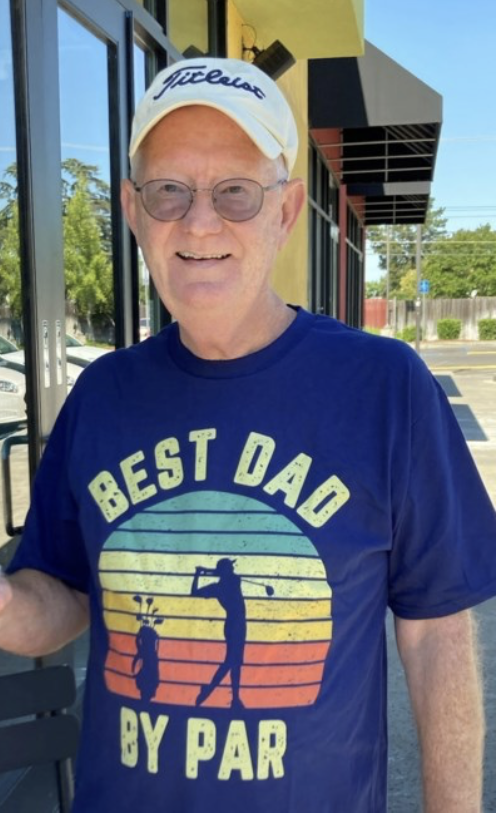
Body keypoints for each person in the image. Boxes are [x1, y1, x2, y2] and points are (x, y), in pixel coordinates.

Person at [0, 56, 495, 813]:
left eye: (236, 191)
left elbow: (436, 639)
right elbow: (62, 595)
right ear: (134, 210)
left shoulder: (385, 388)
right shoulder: (101, 396)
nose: (200, 222)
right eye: (169, 190)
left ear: (287, 210)